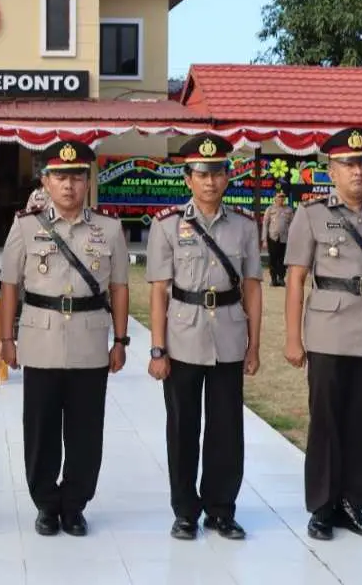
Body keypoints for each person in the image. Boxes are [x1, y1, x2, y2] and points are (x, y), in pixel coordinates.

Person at [283, 126, 362, 541]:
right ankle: (321, 508)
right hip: (328, 330)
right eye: (349, 164)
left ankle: (352, 505)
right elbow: (296, 278)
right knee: (326, 422)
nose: (359, 171)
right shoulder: (311, 214)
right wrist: (292, 336)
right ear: (331, 170)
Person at [0, 140, 129, 537]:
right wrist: (5, 339)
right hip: (40, 340)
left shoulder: (110, 229)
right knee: (41, 429)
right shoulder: (25, 226)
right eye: (60, 177)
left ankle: (75, 504)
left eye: (76, 177)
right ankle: (45, 504)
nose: (68, 185)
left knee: (86, 430)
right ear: (45, 182)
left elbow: (120, 288)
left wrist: (120, 341)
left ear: (87, 182)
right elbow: (9, 286)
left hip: (90, 342)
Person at [144, 135, 262, 541]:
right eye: (201, 173)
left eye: (217, 172)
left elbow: (253, 288)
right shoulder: (166, 226)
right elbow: (159, 290)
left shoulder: (245, 226)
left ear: (228, 176)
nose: (210, 181)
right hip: (183, 336)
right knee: (182, 427)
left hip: (229, 333)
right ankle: (185, 511)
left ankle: (221, 509)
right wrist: (157, 348)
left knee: (227, 428)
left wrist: (254, 344)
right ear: (188, 179)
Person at [261, 190, 293, 287]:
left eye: (283, 197)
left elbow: (292, 225)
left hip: (284, 238)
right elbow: (265, 225)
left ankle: (281, 278)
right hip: (273, 238)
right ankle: (273, 279)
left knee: (283, 260)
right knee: (273, 260)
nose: (281, 198)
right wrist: (264, 240)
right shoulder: (270, 209)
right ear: (275, 198)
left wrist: (292, 239)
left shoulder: (289, 210)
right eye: (279, 196)